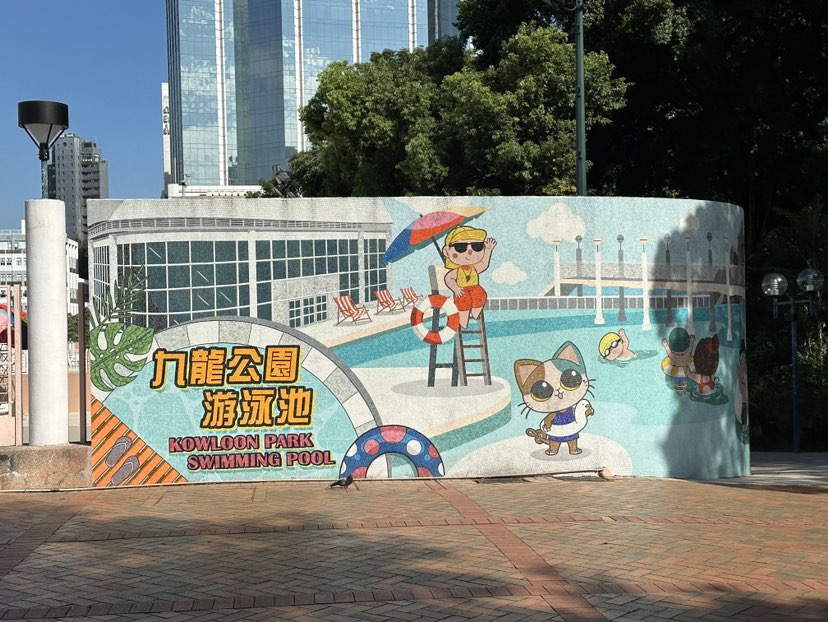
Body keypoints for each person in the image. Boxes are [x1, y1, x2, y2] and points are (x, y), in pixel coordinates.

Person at [442, 225, 497, 328]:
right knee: (462, 301)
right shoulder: (457, 271)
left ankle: (475, 314)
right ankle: (463, 320)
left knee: (481, 295)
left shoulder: (474, 268)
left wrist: (488, 250)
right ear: (447, 251)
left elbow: (484, 264)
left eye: (477, 246)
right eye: (461, 247)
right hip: (462, 290)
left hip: (475, 288)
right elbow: (448, 278)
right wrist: (455, 288)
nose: (470, 251)